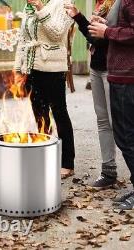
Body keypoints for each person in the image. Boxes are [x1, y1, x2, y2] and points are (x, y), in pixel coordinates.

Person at [14, 0, 75, 179]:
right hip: (33, 68)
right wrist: (18, 68)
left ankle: (67, 163)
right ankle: (47, 156)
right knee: (39, 114)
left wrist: (41, 8)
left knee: (59, 113)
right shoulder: (29, 5)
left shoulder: (63, 3)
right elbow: (23, 39)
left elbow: (57, 33)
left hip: (54, 69)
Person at [64, 0, 117, 189]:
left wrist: (105, 28)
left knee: (118, 123)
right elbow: (93, 36)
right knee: (103, 121)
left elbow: (108, 35)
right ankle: (108, 171)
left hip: (114, 68)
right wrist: (78, 17)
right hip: (96, 67)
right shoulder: (101, 3)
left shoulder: (121, 4)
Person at [88, 0, 134, 209]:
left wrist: (107, 31)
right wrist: (104, 26)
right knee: (126, 136)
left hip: (128, 77)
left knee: (127, 137)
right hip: (119, 76)